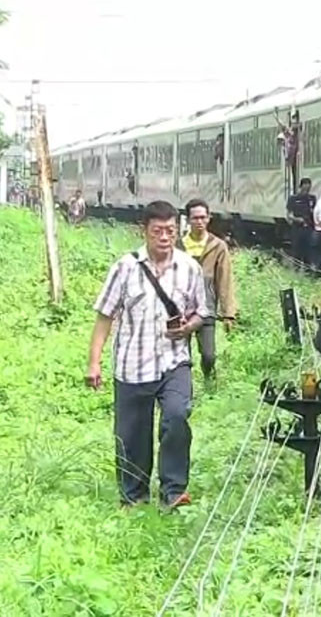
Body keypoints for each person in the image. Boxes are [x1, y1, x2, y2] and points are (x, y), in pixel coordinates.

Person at [86, 200, 210, 509]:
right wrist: (94, 362)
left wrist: (188, 328)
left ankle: (174, 490)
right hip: (132, 365)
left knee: (177, 417)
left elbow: (201, 313)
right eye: (158, 231)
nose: (165, 237)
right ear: (145, 231)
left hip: (174, 361)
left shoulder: (189, 268)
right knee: (132, 435)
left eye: (170, 230)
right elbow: (105, 316)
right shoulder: (125, 267)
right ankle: (134, 495)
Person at [181, 198, 237, 381]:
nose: (199, 222)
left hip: (207, 308)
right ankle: (183, 385)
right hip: (181, 310)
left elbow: (225, 280)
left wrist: (228, 313)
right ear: (188, 220)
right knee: (182, 356)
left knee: (209, 354)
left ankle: (208, 378)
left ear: (209, 218)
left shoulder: (218, 246)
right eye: (195, 218)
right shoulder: (177, 246)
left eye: (203, 218)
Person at [286, 177, 316, 268]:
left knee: (308, 251)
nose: (306, 191)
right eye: (305, 189)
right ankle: (296, 269)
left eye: (308, 189)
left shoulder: (312, 198)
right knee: (297, 251)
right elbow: (289, 215)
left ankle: (308, 270)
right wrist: (296, 219)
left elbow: (314, 211)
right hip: (297, 228)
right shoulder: (293, 199)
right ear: (301, 187)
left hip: (309, 228)